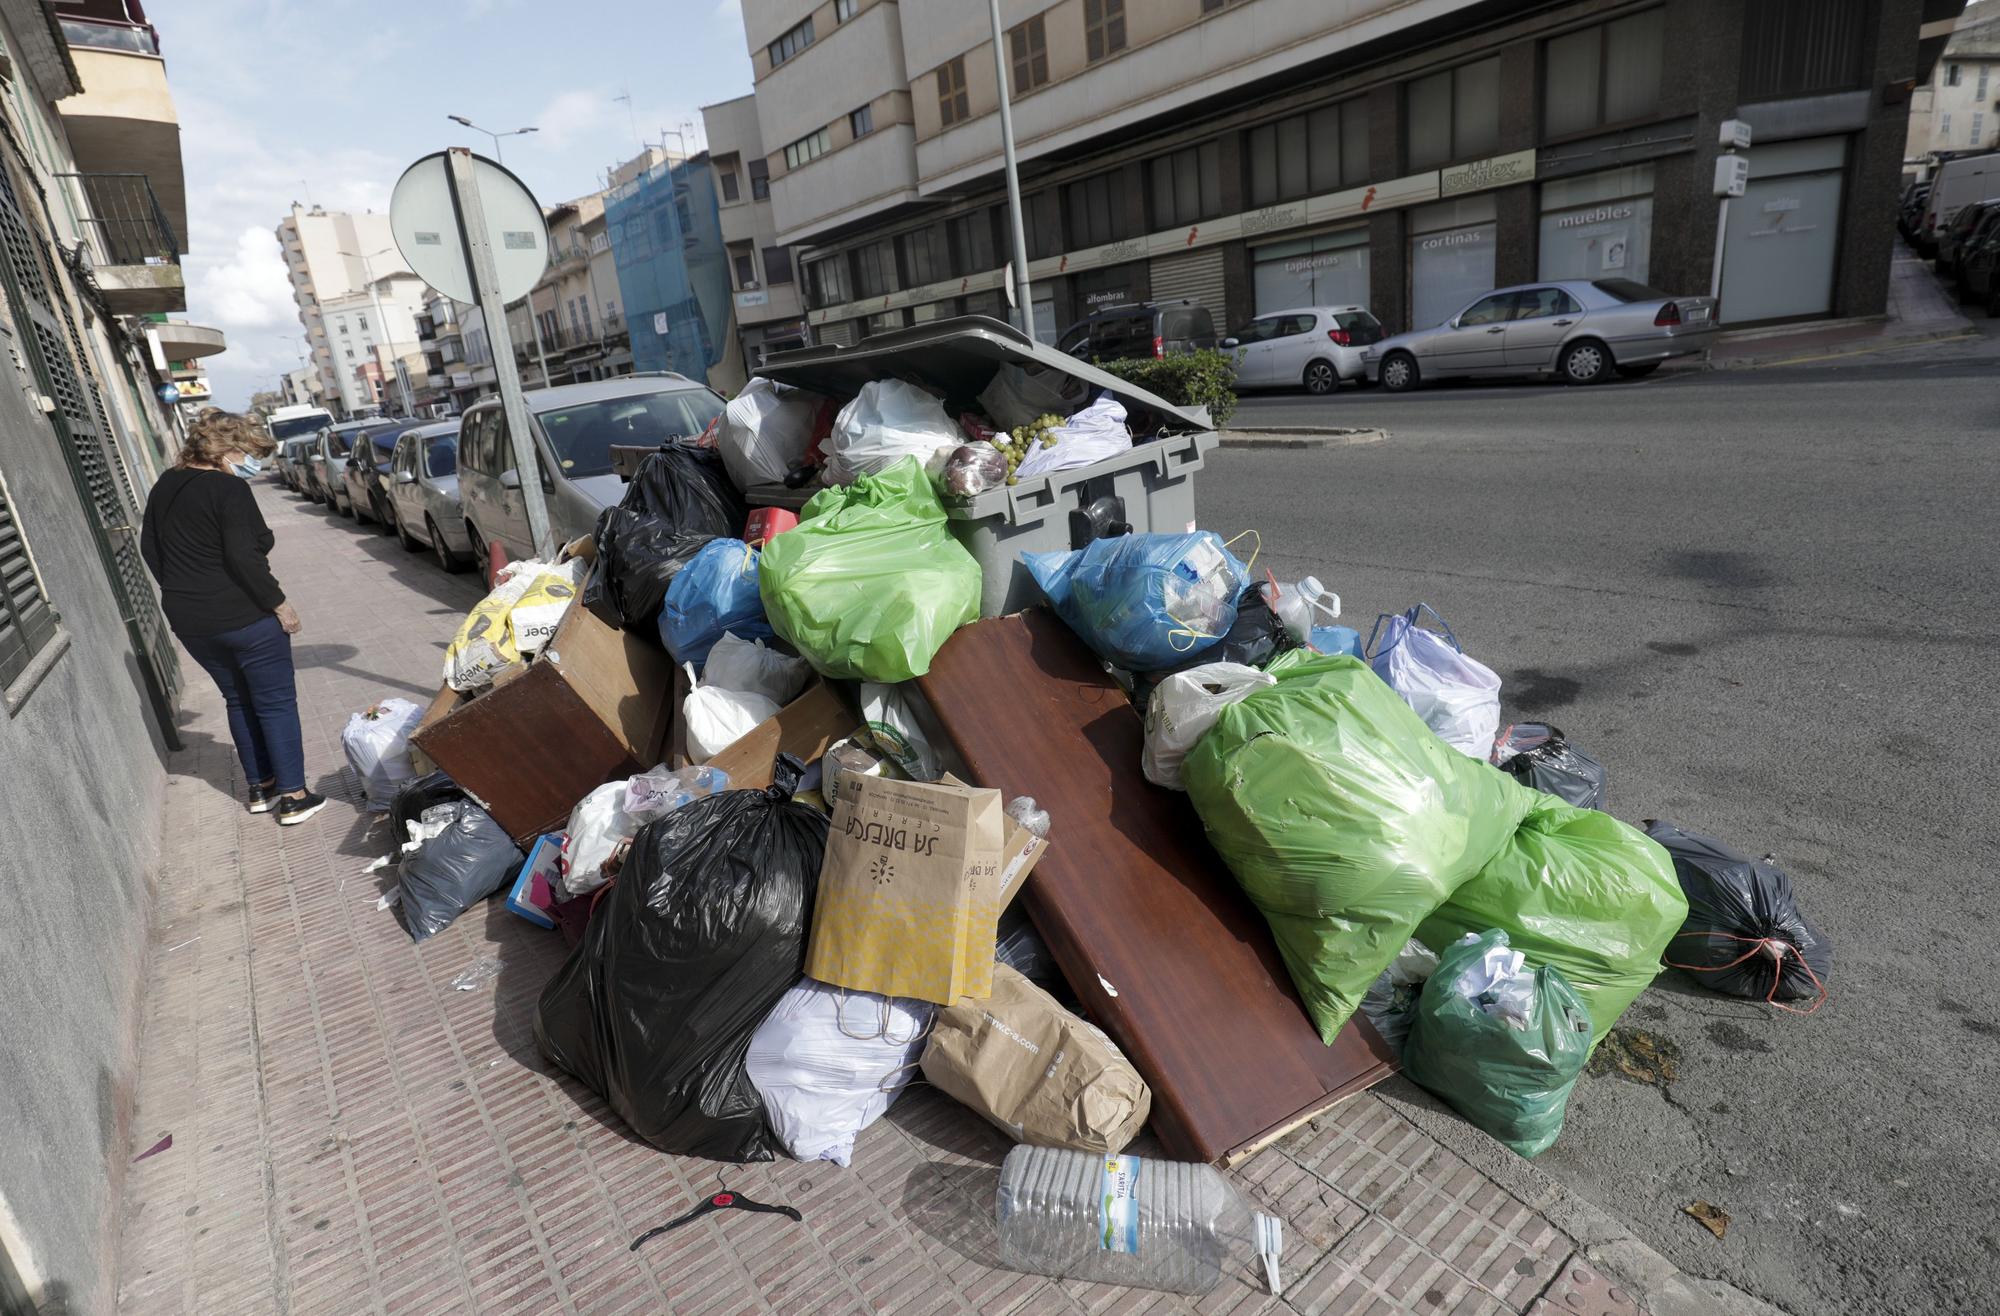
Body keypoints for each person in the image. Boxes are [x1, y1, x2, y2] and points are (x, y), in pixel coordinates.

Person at [141, 408, 328, 825]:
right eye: (245, 452)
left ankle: (260, 787)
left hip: (191, 620)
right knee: (275, 703)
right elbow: (244, 556)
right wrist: (280, 604)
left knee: (238, 699)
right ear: (224, 449)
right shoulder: (228, 490)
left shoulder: (163, 486)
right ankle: (294, 795)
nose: (250, 464)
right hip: (244, 615)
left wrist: (186, 589)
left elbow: (150, 552)